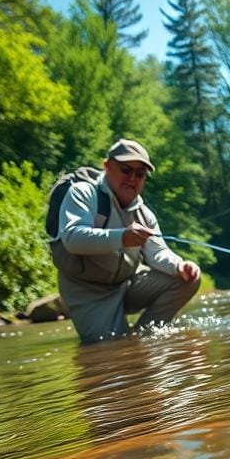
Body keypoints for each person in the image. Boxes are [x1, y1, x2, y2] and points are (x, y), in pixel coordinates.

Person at [52, 138, 201, 343]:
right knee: (109, 348)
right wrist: (122, 236)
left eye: (140, 174)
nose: (132, 178)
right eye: (126, 170)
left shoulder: (144, 214)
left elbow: (157, 252)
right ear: (107, 166)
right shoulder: (82, 193)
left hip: (127, 283)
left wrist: (180, 265)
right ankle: (129, 342)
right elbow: (72, 238)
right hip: (88, 291)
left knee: (185, 279)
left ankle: (145, 338)